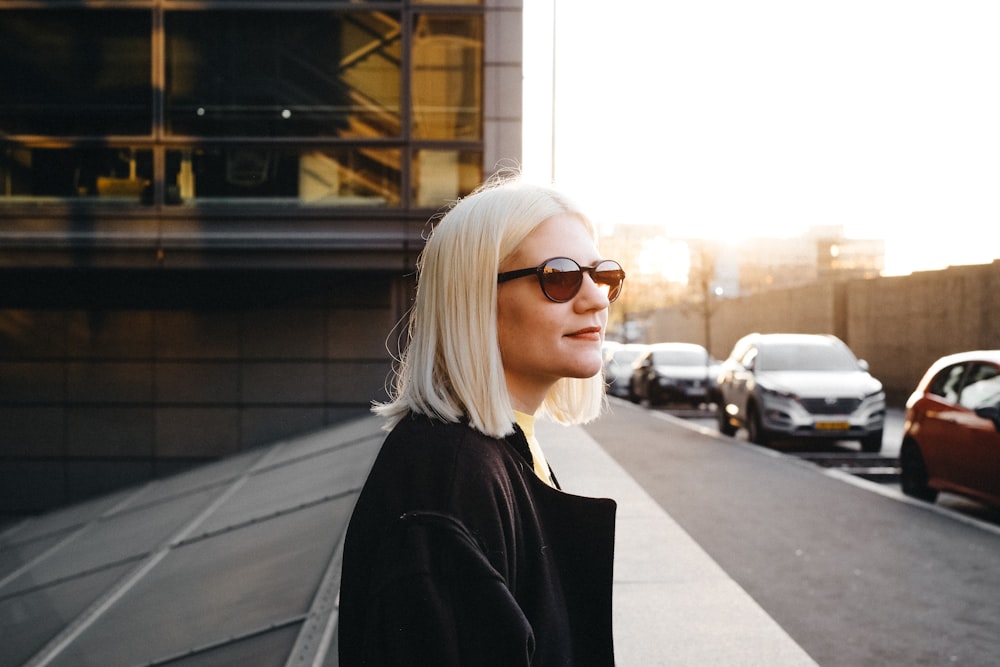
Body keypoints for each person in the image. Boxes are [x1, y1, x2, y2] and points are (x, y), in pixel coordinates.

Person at [338, 173, 625, 666]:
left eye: (603, 275)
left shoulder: (496, 453)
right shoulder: (449, 485)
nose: (597, 298)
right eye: (558, 277)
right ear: (475, 299)